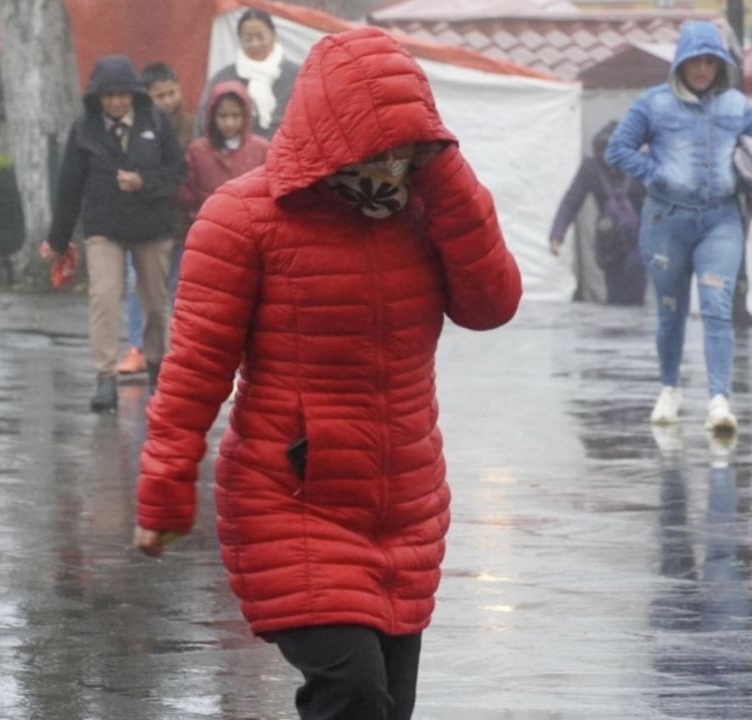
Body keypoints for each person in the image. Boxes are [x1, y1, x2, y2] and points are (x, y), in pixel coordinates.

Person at [134, 28, 521, 720]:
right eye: (382, 142)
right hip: (292, 504)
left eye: (410, 144)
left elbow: (492, 305)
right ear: (331, 129)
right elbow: (194, 372)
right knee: (354, 694)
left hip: (406, 505)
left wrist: (447, 173)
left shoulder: (425, 209)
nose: (393, 161)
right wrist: (164, 493)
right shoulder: (242, 220)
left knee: (384, 707)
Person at [605, 20, 752, 432]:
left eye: (710, 62)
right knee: (670, 310)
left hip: (721, 219)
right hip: (666, 220)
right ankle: (670, 388)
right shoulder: (652, 104)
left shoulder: (737, 106)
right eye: (695, 61)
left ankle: (718, 400)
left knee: (717, 306)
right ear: (681, 62)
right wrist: (653, 173)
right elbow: (618, 148)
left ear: (720, 65)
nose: (702, 70)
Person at [42, 54, 185, 412]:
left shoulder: (156, 121)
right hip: (103, 228)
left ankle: (158, 369)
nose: (116, 102)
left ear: (133, 94)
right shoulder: (84, 129)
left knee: (155, 301)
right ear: (97, 98)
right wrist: (57, 240)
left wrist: (144, 182)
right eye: (108, 96)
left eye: (122, 94)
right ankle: (105, 377)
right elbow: (69, 187)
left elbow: (178, 173)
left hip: (151, 227)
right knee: (103, 296)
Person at [118, 62, 194, 377]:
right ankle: (137, 346)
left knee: (175, 288)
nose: (168, 100)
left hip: (184, 222)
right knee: (139, 286)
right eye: (160, 95)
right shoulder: (137, 128)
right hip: (146, 221)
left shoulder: (193, 125)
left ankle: (172, 347)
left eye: (172, 92)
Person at [549, 121, 647, 305]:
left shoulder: (638, 164)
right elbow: (571, 201)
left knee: (635, 277)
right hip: (610, 237)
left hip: (638, 235)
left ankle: (637, 326)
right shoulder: (591, 168)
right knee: (614, 291)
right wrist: (557, 234)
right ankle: (615, 328)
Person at [196, 8, 299, 140]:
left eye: (260, 37)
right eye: (248, 39)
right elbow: (203, 123)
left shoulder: (296, 76)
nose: (255, 44)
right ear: (239, 40)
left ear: (273, 35)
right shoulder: (224, 78)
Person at [178, 81, 269, 213]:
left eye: (235, 115)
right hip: (210, 222)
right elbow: (187, 189)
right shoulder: (197, 151)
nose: (229, 123)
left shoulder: (261, 149)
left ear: (246, 115)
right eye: (222, 115)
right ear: (212, 116)